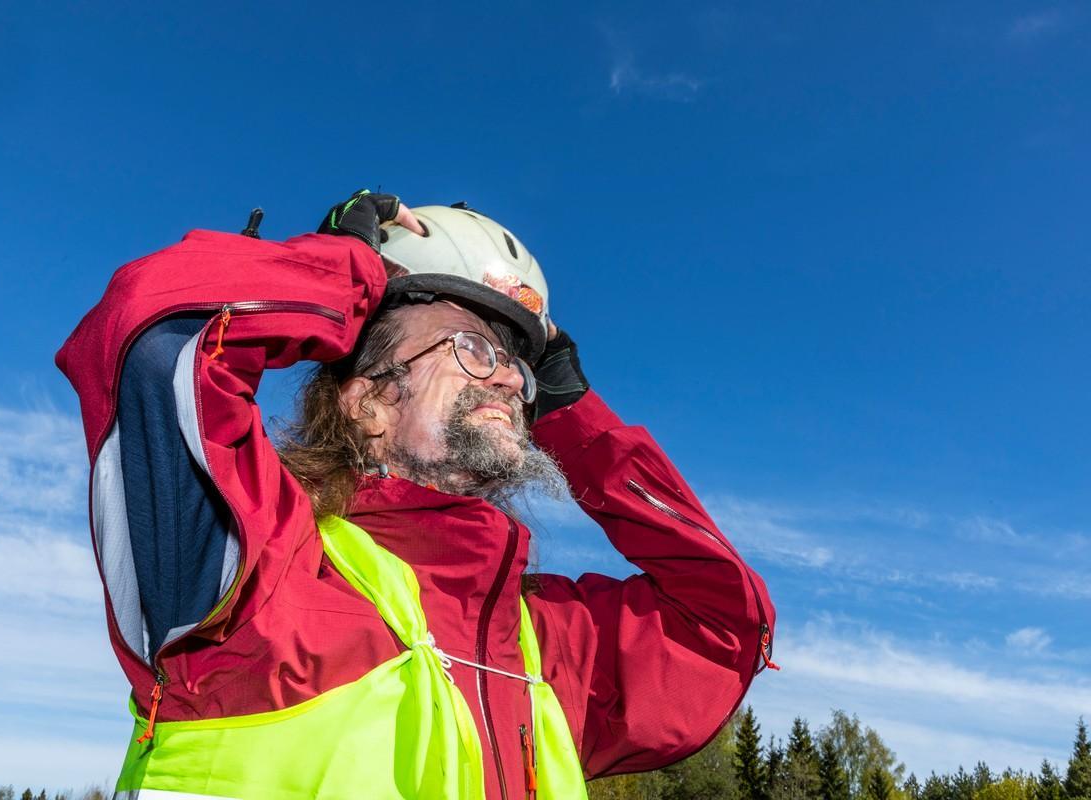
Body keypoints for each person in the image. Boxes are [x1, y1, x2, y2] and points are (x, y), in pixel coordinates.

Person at [56, 191, 777, 800]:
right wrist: (342, 268)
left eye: (520, 373)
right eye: (472, 348)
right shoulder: (260, 573)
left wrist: (573, 415)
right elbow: (153, 334)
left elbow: (723, 623)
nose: (507, 381)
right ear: (366, 400)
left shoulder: (543, 642)